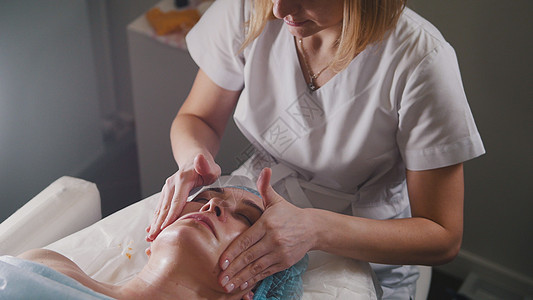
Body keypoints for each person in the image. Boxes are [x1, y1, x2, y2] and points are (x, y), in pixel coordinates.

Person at [146, 0, 485, 298]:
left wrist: (315, 230)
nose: (279, 10)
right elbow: (198, 117)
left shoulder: (420, 61)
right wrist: (194, 159)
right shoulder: (251, 7)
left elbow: (442, 236)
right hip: (253, 200)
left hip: (363, 241)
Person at [1, 173, 307, 300]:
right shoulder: (46, 264)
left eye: (245, 218)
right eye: (202, 199)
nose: (212, 204)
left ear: (248, 289)